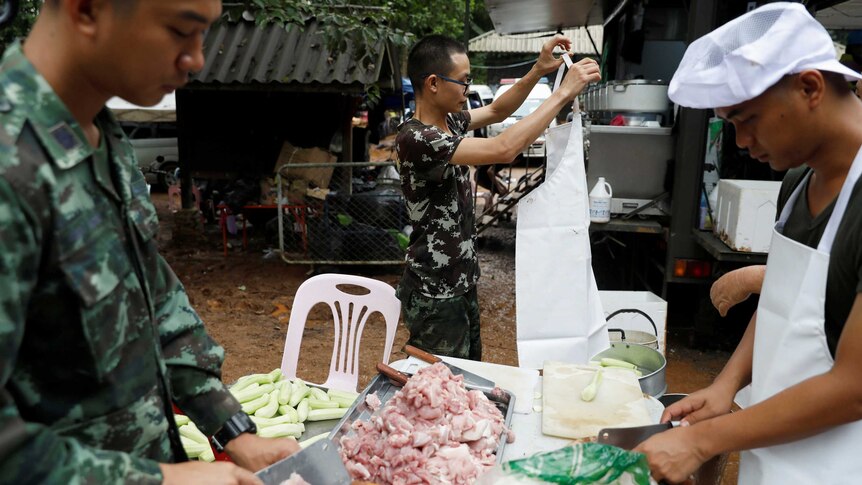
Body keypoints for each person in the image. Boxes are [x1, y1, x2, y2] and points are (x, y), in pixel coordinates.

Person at [0, 1, 298, 483]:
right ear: (87, 10)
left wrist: (233, 429)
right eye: (182, 30)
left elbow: (154, 302)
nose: (197, 59)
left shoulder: (101, 137)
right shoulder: (10, 165)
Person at [634, 3, 862, 484]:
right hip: (776, 452)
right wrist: (726, 386)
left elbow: (854, 386)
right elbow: (785, 302)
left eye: (746, 119)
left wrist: (701, 440)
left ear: (810, 88)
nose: (739, 141)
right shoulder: (800, 180)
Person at [395, 34, 600, 360]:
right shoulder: (417, 137)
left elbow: (497, 109)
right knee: (443, 386)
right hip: (435, 291)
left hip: (459, 282)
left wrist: (538, 70)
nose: (467, 88)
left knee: (469, 377)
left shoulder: (450, 122)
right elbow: (502, 149)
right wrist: (562, 93)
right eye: (463, 81)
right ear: (433, 83)